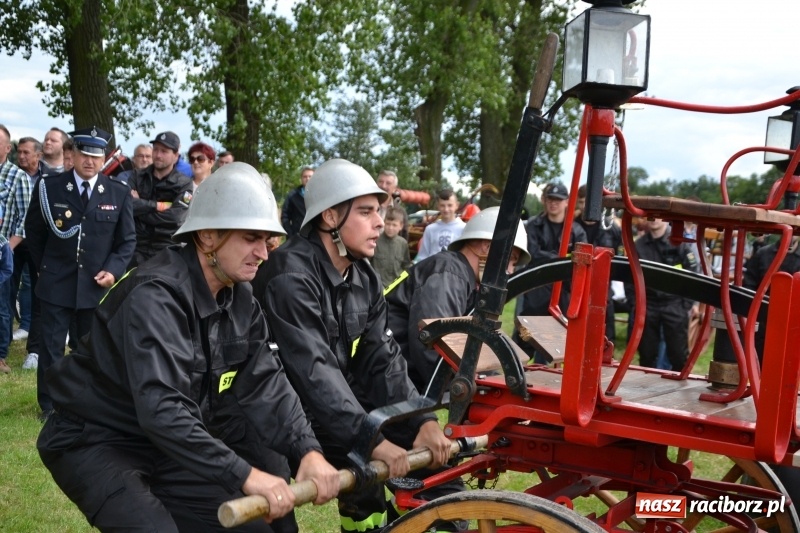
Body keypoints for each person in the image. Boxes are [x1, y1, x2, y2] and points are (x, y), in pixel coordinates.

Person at [37, 162, 339, 532]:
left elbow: (266, 383)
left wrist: (305, 449)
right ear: (208, 236)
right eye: (250, 238)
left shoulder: (241, 299)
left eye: (267, 240)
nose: (264, 253)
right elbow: (163, 408)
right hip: (95, 439)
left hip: (167, 442)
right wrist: (244, 474)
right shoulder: (156, 295)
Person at [254, 158, 451, 533]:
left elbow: (383, 359)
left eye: (380, 211)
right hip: (278, 416)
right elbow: (315, 374)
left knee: (430, 474)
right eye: (366, 211)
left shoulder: (363, 276)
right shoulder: (289, 276)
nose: (380, 221)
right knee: (277, 522)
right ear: (330, 217)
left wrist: (420, 421)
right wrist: (372, 440)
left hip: (330, 408)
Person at [25, 126, 137, 421]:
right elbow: (34, 232)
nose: (90, 161)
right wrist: (45, 267)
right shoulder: (49, 187)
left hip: (94, 285)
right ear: (72, 155)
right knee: (50, 347)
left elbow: (126, 242)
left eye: (96, 157)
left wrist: (113, 271)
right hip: (55, 281)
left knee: (90, 348)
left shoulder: (118, 192)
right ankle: (49, 405)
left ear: (104, 159)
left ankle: (85, 402)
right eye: (84, 155)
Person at [386, 206, 530, 394]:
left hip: (396, 379)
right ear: (487, 248)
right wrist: (466, 393)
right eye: (510, 259)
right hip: (383, 386)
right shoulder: (450, 273)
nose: (510, 271)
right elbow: (431, 345)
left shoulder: (464, 278)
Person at [516, 182, 587, 362]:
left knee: (563, 341)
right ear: (544, 201)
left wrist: (551, 258)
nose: (553, 203)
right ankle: (520, 372)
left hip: (565, 291)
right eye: (550, 199)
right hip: (537, 291)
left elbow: (581, 261)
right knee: (527, 338)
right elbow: (531, 254)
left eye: (558, 200)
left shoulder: (577, 231)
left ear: (566, 202)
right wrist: (561, 258)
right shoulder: (533, 226)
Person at [625, 218, 699, 370]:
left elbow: (693, 275)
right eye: (651, 216)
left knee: (678, 355)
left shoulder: (679, 244)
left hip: (674, 303)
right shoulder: (639, 245)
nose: (654, 220)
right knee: (647, 354)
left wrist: (686, 304)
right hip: (648, 303)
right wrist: (635, 303)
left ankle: (680, 389)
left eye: (658, 216)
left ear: (666, 220)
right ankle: (646, 389)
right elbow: (629, 276)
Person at [128, 131, 193, 266]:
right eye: (156, 150)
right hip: (135, 248)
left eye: (164, 151)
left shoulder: (184, 183)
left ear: (175, 156)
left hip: (166, 250)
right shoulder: (137, 176)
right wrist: (158, 206)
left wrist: (141, 208)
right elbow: (127, 206)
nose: (158, 155)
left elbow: (175, 218)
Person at [0, 124, 32, 374]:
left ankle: (0, 354)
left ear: (7, 148)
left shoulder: (17, 176)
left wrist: (7, 248)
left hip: (2, 249)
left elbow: (25, 219)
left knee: (2, 304)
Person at [414, 189, 465, 263]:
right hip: (433, 271)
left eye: (450, 205)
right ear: (438, 206)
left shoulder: (464, 229)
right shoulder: (430, 229)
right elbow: (422, 257)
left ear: (457, 205)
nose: (446, 209)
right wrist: (404, 274)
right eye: (442, 205)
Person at [371, 205, 411, 289]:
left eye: (394, 225)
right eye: (388, 224)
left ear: (401, 226)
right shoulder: (375, 241)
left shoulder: (403, 244)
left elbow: (406, 267)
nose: (390, 228)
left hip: (396, 288)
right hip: (378, 288)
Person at [280, 166, 313, 238]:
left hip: (317, 237)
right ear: (301, 179)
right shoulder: (292, 196)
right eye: (305, 177)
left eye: (310, 176)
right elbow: (285, 216)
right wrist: (290, 234)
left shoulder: (321, 195)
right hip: (298, 237)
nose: (307, 179)